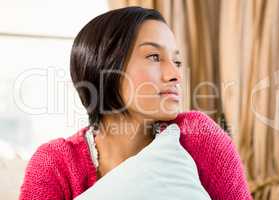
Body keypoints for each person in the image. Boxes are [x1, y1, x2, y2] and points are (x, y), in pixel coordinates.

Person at [19, 6, 252, 200]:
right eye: (154, 57)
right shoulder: (54, 164)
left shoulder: (199, 136)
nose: (176, 75)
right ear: (105, 67)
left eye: (177, 61)